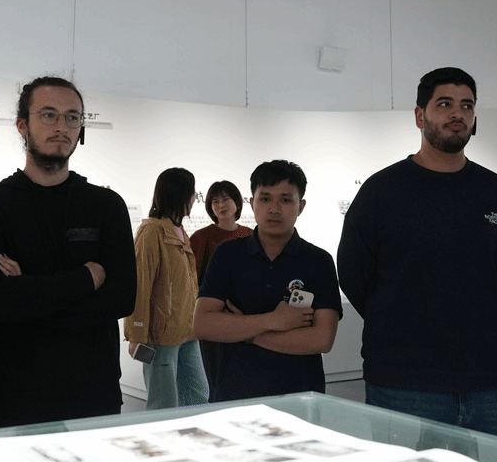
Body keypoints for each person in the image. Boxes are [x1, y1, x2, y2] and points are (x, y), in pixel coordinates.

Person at [338, 66, 497, 440]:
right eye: (445, 104)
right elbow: (354, 276)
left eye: (467, 105)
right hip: (403, 382)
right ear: (419, 115)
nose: (458, 114)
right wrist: (400, 324)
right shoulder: (381, 192)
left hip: (488, 382)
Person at [0, 76, 135, 426]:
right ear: (22, 125)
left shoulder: (106, 206)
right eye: (48, 115)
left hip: (95, 389)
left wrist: (26, 291)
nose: (62, 127)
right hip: (18, 393)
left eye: (72, 117)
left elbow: (121, 300)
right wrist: (86, 278)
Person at [194, 160, 341, 400]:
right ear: (252, 203)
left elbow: (322, 339)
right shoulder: (227, 255)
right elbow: (203, 324)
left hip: (300, 395)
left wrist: (248, 333)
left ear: (301, 206)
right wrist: (274, 320)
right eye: (265, 199)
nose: (274, 209)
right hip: (235, 394)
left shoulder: (318, 261)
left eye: (285, 200)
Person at [127, 168, 207, 410]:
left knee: (198, 396)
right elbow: (140, 285)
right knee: (164, 404)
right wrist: (137, 334)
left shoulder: (180, 231)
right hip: (162, 335)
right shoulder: (152, 231)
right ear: (180, 194)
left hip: (188, 330)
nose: (194, 198)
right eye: (192, 192)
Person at [188, 180, 252, 398]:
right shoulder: (201, 238)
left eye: (225, 199)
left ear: (237, 202)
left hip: (247, 316)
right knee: (216, 376)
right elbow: (193, 279)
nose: (221, 205)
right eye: (215, 201)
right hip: (214, 317)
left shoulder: (250, 234)